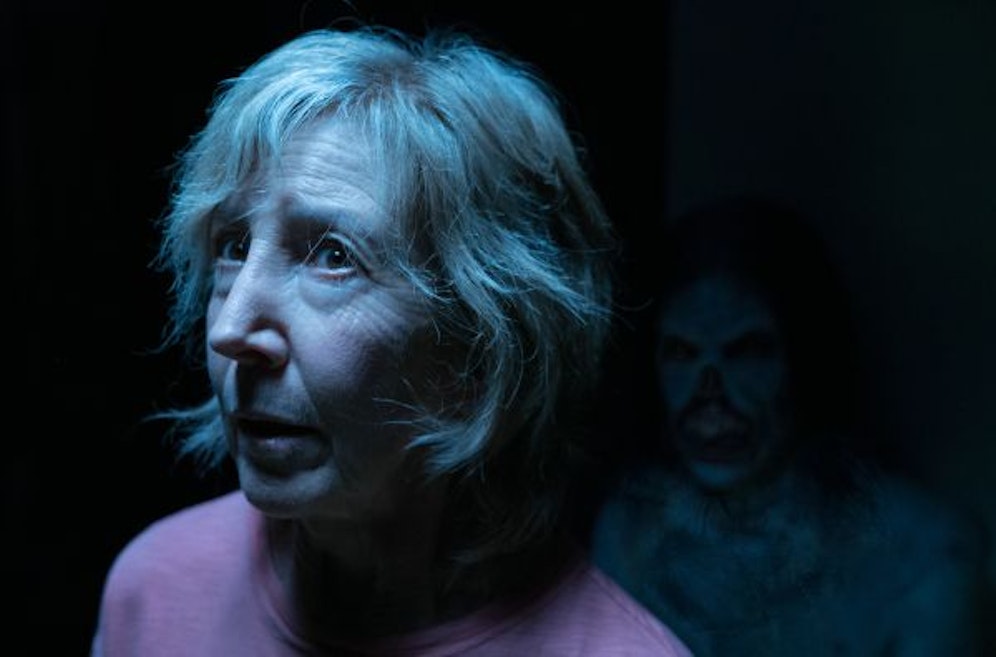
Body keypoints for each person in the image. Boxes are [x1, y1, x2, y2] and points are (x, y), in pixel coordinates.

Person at [89, 23, 693, 656]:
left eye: (333, 257)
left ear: (479, 350)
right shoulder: (154, 595)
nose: (231, 330)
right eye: (233, 246)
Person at [589, 196, 990, 656]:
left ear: (805, 361)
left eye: (746, 351)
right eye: (681, 352)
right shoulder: (629, 532)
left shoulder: (923, 556)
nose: (709, 397)